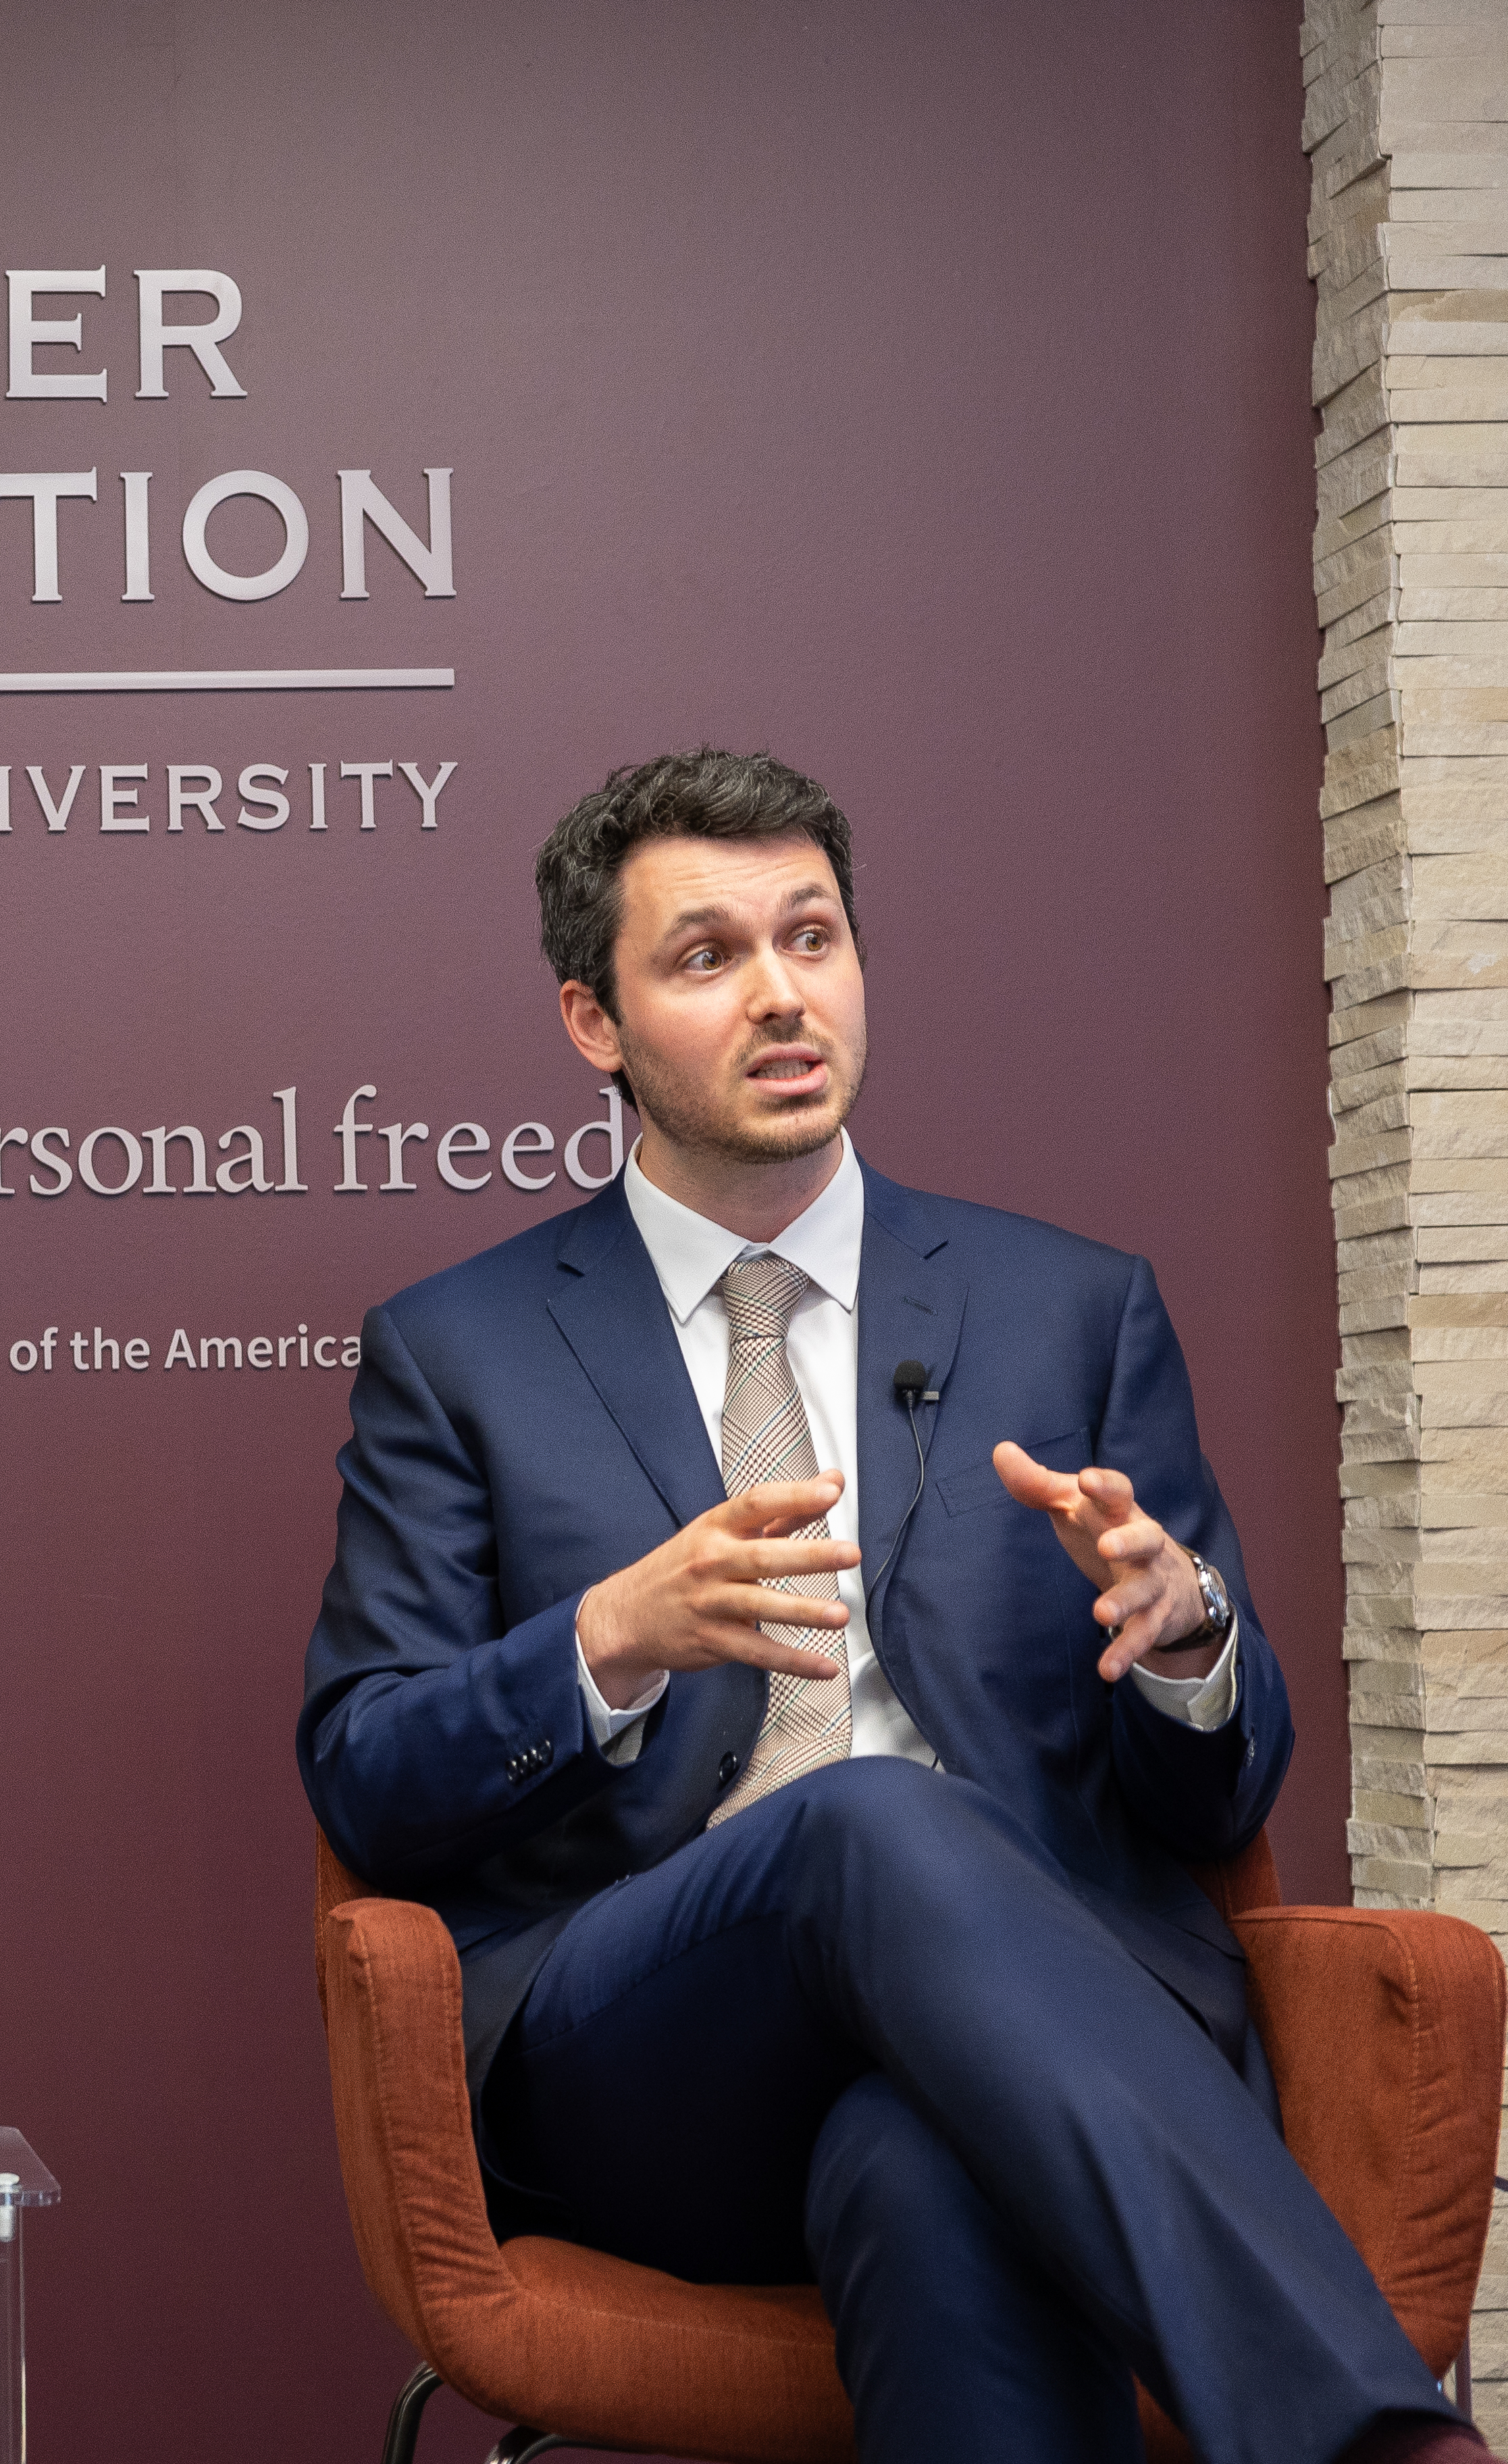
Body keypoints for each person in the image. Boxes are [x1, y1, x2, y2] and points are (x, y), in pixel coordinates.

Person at [298, 750, 1480, 2464]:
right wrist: (607, 1642)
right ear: (593, 1021)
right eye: (707, 957)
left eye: (816, 938)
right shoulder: (458, 1352)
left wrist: (1191, 1645)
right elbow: (367, 1774)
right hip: (656, 2071)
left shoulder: (1073, 1309)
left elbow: (1221, 1803)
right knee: (865, 1821)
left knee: (928, 2172)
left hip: (1037, 2062)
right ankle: (1382, 2444)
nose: (784, 995)